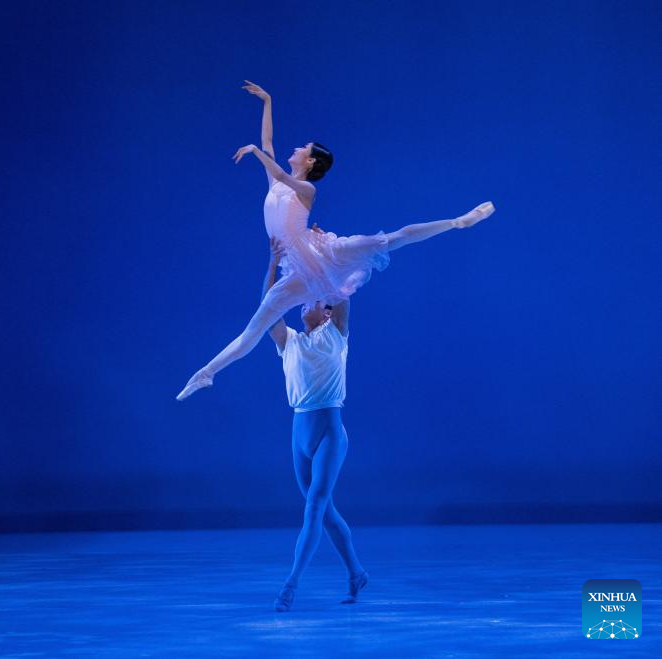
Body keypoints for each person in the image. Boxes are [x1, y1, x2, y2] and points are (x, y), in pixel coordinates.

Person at [176, 81, 495, 401]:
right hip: (296, 268)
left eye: (303, 148)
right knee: (255, 327)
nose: (297, 148)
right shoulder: (275, 183)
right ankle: (205, 374)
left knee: (390, 239)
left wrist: (256, 153)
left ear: (311, 161)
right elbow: (268, 142)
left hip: (322, 252)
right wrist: (267, 102)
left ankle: (458, 221)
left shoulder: (307, 190)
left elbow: (278, 168)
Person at [262, 236, 367, 612]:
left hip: (329, 434)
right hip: (299, 434)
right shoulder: (289, 342)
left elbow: (339, 294)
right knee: (325, 512)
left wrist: (323, 255)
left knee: (315, 508)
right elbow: (268, 309)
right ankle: (356, 572)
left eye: (318, 300)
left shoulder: (336, 334)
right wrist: (273, 264)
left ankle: (290, 585)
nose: (309, 300)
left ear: (327, 313)